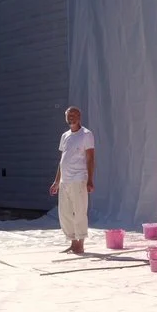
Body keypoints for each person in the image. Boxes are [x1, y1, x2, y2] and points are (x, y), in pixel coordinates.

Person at [50, 106, 95, 254]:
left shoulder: (86, 134)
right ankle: (73, 242)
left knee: (79, 211)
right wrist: (57, 181)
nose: (71, 118)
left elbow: (90, 158)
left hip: (78, 178)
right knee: (65, 213)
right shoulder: (65, 136)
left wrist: (90, 180)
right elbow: (62, 160)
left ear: (79, 116)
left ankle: (80, 243)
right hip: (65, 181)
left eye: (74, 115)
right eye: (69, 115)